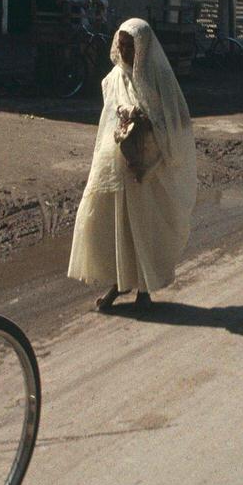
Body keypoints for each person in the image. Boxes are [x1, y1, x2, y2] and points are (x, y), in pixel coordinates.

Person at [68, 19, 196, 311]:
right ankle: (119, 283)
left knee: (141, 226)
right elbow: (109, 119)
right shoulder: (113, 78)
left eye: (131, 47)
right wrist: (126, 118)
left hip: (147, 167)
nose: (125, 52)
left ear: (144, 49)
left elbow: (178, 124)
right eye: (121, 46)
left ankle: (142, 290)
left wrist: (149, 124)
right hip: (114, 163)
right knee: (112, 225)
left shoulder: (157, 79)